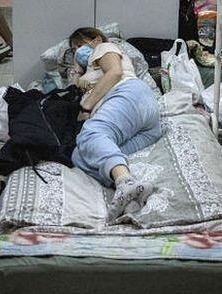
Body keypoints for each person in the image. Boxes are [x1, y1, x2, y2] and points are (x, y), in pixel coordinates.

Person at [68, 27, 163, 221]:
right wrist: (78, 71)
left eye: (79, 45)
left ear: (94, 40)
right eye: (73, 50)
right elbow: (73, 82)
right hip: (144, 123)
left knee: (89, 134)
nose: (77, 51)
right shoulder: (89, 69)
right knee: (80, 155)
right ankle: (131, 198)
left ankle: (125, 182)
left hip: (129, 95)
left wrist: (86, 107)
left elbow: (115, 72)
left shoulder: (104, 47)